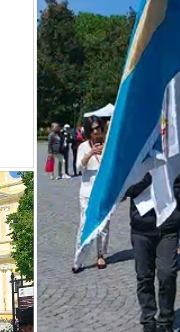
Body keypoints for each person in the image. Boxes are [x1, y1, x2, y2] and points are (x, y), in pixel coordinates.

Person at [125, 169, 180, 332]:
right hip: (142, 228)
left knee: (167, 274)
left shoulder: (172, 160)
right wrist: (148, 177)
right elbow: (126, 190)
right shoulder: (135, 163)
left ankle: (165, 320)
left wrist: (172, 188)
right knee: (144, 277)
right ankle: (148, 320)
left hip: (168, 228)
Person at [72, 117, 110, 273]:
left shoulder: (108, 145)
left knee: (104, 225)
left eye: (98, 129)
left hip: (104, 191)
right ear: (88, 132)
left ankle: (101, 255)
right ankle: (78, 259)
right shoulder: (83, 146)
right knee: (84, 225)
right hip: (87, 191)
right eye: (93, 130)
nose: (96, 132)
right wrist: (90, 153)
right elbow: (78, 167)